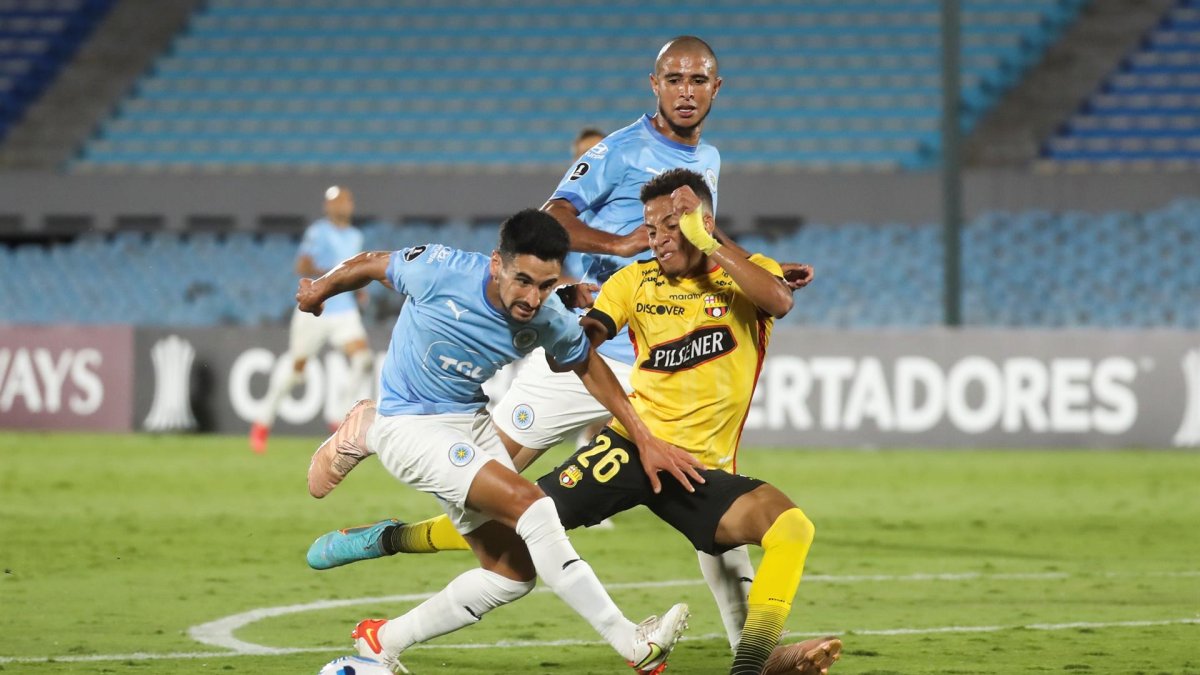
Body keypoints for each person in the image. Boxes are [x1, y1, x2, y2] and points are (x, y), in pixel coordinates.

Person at [308, 36, 823, 672]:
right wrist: (618, 243)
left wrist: (742, 262)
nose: (686, 91)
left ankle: (755, 657)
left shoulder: (706, 157)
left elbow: (699, 227)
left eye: (698, 80)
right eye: (674, 79)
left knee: (705, 500)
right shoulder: (621, 149)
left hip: (657, 357)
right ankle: (383, 497)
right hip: (594, 335)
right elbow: (553, 215)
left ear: (717, 89)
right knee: (500, 484)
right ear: (654, 85)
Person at [298, 209, 704, 673]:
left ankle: (382, 640)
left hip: (470, 422)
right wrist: (318, 290)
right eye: (523, 280)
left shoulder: (549, 316)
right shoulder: (440, 270)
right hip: (410, 424)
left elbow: (589, 365)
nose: (532, 298)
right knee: (533, 506)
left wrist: (642, 435)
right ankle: (633, 643)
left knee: (511, 574)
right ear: (497, 263)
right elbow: (372, 263)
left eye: (546, 285)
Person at [249, 185, 373, 453]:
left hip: (344, 311)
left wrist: (359, 290)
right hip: (316, 307)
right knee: (297, 372)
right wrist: (330, 279)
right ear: (328, 207)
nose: (340, 206)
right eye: (335, 202)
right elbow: (302, 265)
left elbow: (354, 269)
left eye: (344, 201)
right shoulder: (318, 232)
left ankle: (338, 419)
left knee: (363, 359)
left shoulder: (355, 236)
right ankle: (262, 422)